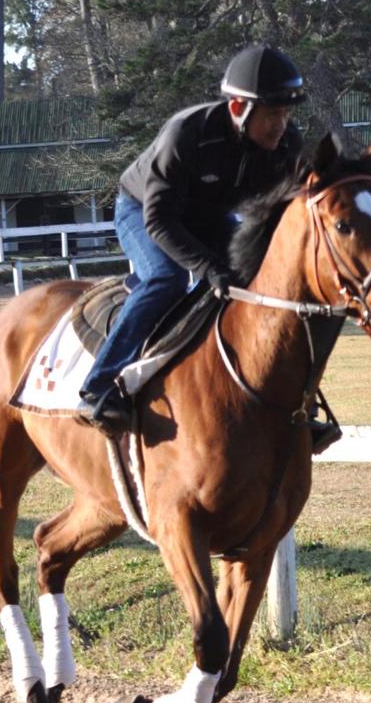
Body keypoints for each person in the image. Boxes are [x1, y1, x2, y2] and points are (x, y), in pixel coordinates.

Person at [76, 45, 306, 436]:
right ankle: (98, 388)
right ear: (237, 109)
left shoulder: (287, 145)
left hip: (211, 217)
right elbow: (160, 222)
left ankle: (294, 403)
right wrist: (208, 267)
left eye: (285, 114)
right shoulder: (186, 134)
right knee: (167, 280)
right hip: (142, 210)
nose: (280, 125)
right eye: (272, 114)